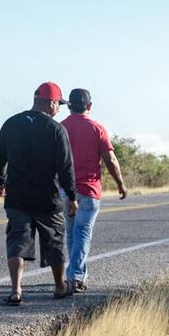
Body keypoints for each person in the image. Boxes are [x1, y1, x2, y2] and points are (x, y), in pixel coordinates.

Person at [0, 82, 78, 305]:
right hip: (47, 198)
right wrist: (71, 196)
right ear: (51, 103)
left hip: (17, 196)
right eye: (58, 104)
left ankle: (16, 290)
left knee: (17, 240)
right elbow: (65, 166)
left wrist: (1, 180)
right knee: (54, 240)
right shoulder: (55, 129)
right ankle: (60, 286)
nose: (58, 109)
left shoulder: (11, 123)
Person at [61, 88, 128, 292]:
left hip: (65, 191)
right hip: (89, 190)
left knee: (72, 231)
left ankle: (73, 273)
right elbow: (111, 160)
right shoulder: (97, 128)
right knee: (82, 232)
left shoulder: (60, 128)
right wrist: (120, 184)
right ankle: (75, 276)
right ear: (89, 105)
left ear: (69, 106)